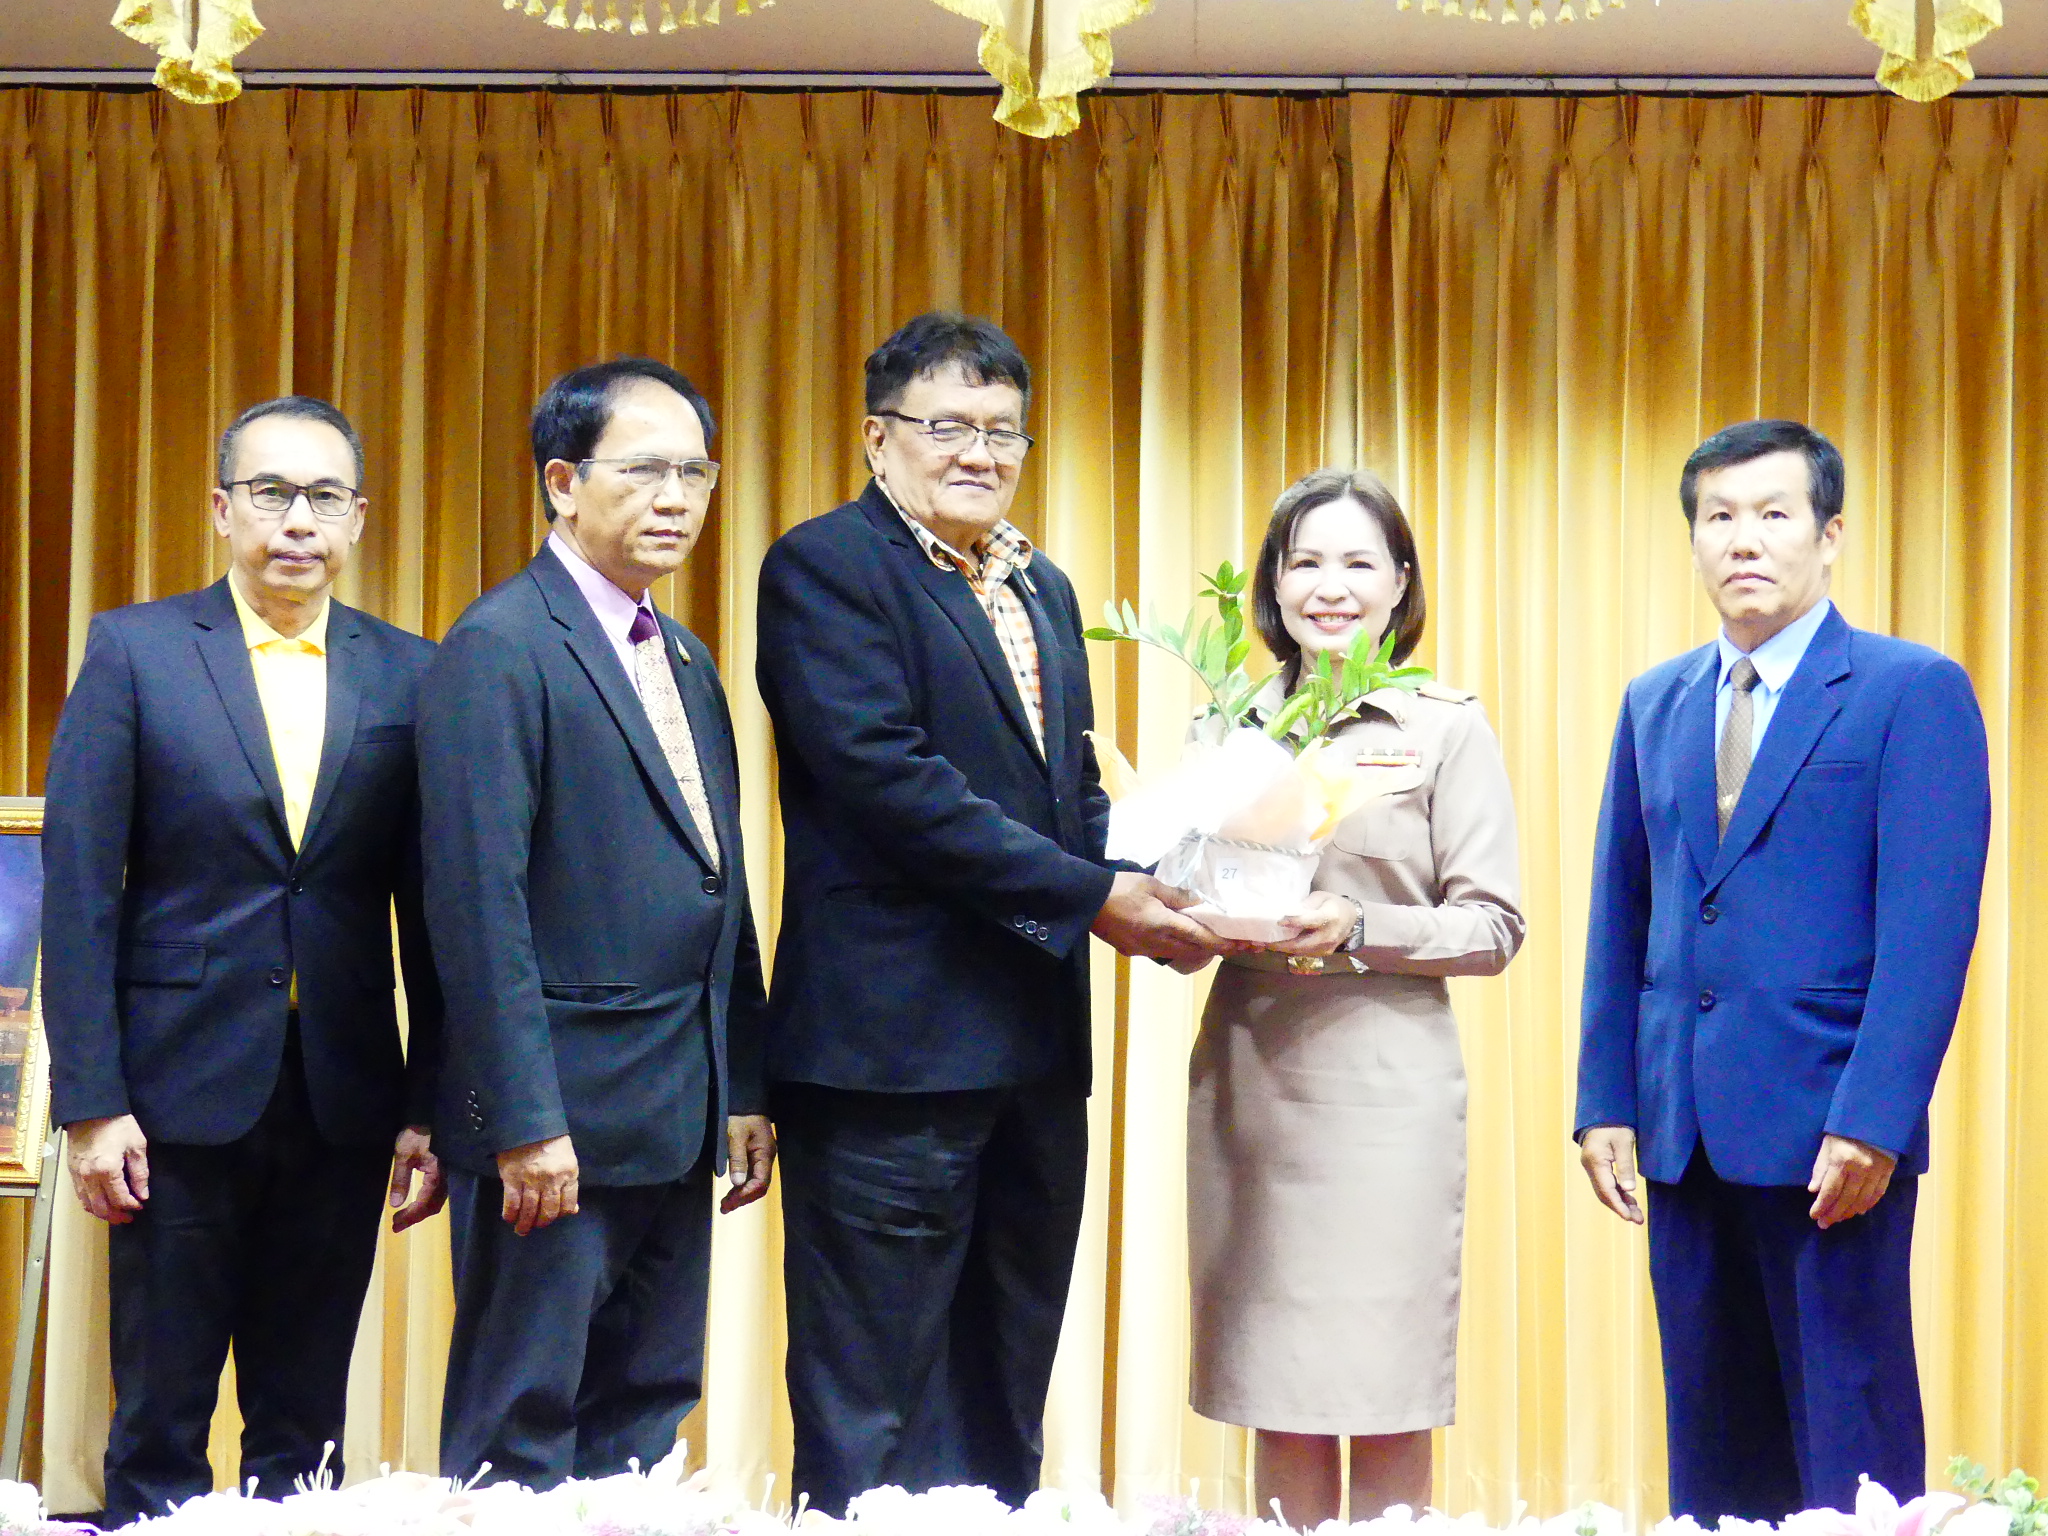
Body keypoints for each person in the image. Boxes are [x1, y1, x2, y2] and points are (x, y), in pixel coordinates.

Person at [755, 312, 1224, 1514]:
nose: (979, 452)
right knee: (872, 1397)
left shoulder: (1039, 583)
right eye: (947, 426)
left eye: (1003, 431)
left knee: (1003, 1383)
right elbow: (889, 784)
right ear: (877, 438)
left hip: (1032, 1049)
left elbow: (1068, 792)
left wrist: (1182, 874)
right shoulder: (824, 567)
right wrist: (1098, 898)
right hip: (888, 1058)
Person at [39, 396, 446, 1526]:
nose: (297, 520)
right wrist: (92, 1103)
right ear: (223, 510)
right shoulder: (137, 652)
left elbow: (435, 910)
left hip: (342, 1094)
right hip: (171, 1096)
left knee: (303, 1419)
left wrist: (430, 1102)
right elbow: (80, 894)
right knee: (159, 1414)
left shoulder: (411, 674)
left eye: (324, 496)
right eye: (271, 493)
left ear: (358, 518)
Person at [1575, 420, 1991, 1520]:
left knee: (1847, 1440)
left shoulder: (1909, 690)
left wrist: (1874, 1121)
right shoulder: (1655, 700)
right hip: (1681, 1129)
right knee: (1712, 1449)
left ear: (1829, 534)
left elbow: (1929, 931)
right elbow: (1622, 912)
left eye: (1772, 514)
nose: (1742, 540)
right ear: (1693, 540)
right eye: (1718, 517)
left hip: (1829, 1138)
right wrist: (1605, 1098)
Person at [418, 358, 773, 1491]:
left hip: (678, 1106)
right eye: (645, 470)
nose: (676, 498)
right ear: (563, 482)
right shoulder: (500, 645)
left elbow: (721, 882)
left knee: (647, 1408)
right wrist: (524, 1120)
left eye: (696, 473)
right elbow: (476, 911)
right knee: (521, 1420)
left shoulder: (684, 654)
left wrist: (743, 1083)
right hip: (557, 1122)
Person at [1185, 469, 1525, 1524]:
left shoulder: (1445, 728)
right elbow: (1187, 894)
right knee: (1274, 1386)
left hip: (1385, 1090)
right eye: (1305, 562)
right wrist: (1173, 911)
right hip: (1252, 1071)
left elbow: (1493, 927)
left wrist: (1358, 925)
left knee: (1383, 1388)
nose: (1328, 587)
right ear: (1272, 584)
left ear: (1399, 585)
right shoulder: (1227, 724)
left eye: (1356, 563)